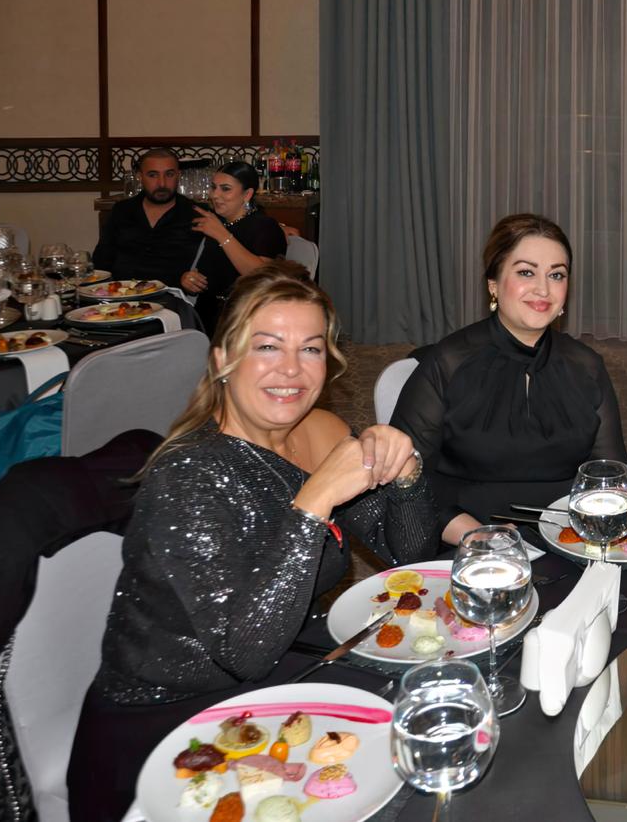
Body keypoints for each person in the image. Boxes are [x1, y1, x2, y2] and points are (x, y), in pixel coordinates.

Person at [68, 263, 435, 820]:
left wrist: (406, 472)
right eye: (268, 346)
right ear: (222, 361)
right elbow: (247, 651)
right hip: (171, 731)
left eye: (310, 349)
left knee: (423, 710)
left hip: (275, 673)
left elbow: (409, 554)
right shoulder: (187, 476)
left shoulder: (320, 431)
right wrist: (314, 500)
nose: (291, 369)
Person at [391, 213, 627, 543]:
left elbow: (613, 473)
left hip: (572, 536)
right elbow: (406, 478)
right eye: (526, 272)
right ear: (493, 283)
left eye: (556, 275)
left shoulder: (586, 366)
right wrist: (473, 535)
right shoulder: (448, 363)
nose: (543, 289)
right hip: (470, 536)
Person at [182, 160, 288, 333]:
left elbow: (261, 277)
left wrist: (221, 234)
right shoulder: (218, 222)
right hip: (205, 315)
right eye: (213, 187)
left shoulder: (265, 227)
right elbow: (209, 275)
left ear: (247, 194)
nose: (215, 195)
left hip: (243, 319)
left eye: (225, 189)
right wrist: (189, 280)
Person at [91, 148, 203, 287]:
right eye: (152, 175)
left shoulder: (195, 214)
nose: (162, 183)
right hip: (121, 293)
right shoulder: (122, 210)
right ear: (140, 176)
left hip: (172, 294)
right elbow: (101, 261)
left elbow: (207, 266)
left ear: (178, 175)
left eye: (169, 174)